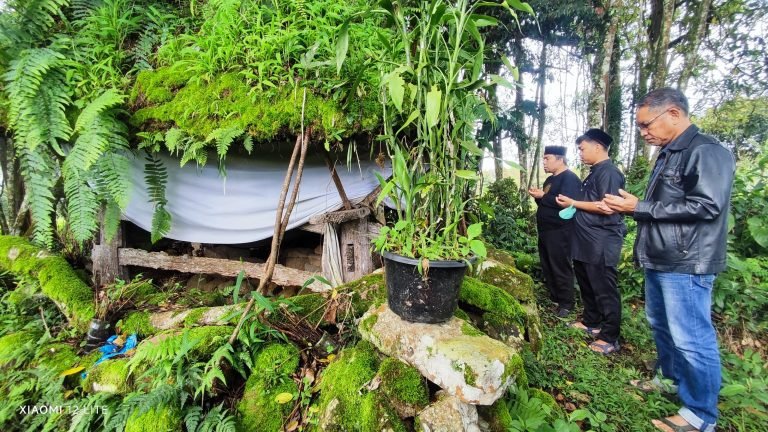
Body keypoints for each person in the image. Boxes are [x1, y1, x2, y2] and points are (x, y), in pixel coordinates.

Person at [603, 88, 734, 432]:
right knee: (662, 326)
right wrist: (632, 206)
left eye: (647, 125)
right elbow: (666, 207)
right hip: (661, 257)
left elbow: (707, 206)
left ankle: (700, 415)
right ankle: (669, 379)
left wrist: (639, 207)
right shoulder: (668, 153)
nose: (644, 132)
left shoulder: (706, 151)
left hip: (687, 261)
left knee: (691, 337)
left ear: (673, 114)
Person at [555, 128, 625, 355]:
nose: (581, 154)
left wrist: (573, 203)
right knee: (587, 283)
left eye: (583, 149)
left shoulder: (609, 173)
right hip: (585, 240)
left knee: (604, 288)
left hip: (601, 241)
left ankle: (610, 336)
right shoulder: (594, 172)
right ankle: (591, 322)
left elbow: (608, 207)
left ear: (597, 147)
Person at [528, 146, 581, 318]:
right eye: (543, 158)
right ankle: (556, 297)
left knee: (560, 265)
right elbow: (547, 204)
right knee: (548, 264)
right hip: (545, 230)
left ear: (560, 159)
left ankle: (567, 302)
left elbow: (566, 204)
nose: (544, 162)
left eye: (547, 158)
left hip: (561, 231)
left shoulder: (570, 179)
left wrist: (544, 197)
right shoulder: (549, 181)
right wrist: (539, 198)